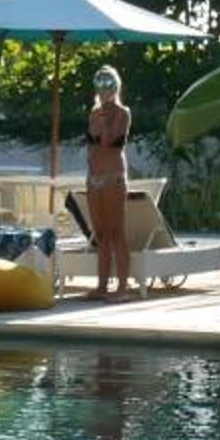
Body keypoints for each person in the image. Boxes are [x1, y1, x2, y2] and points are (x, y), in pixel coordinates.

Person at [84, 65, 133, 298]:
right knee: (101, 234)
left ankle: (122, 288)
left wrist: (104, 120)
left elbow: (108, 142)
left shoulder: (123, 113)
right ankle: (102, 286)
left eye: (109, 83)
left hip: (113, 179)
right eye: (101, 83)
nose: (104, 88)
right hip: (94, 179)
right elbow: (92, 145)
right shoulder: (93, 113)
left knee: (116, 233)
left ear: (116, 87)